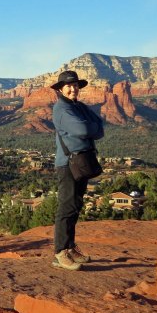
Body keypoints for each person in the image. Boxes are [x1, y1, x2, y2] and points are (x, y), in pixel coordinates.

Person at [50, 70, 104, 271]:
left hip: (80, 162)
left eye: (75, 85)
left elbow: (100, 126)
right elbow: (84, 130)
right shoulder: (62, 109)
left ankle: (70, 248)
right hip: (68, 164)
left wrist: (90, 127)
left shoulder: (78, 106)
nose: (73, 89)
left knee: (75, 206)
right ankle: (60, 253)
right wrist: (90, 127)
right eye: (69, 86)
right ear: (61, 89)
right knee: (67, 207)